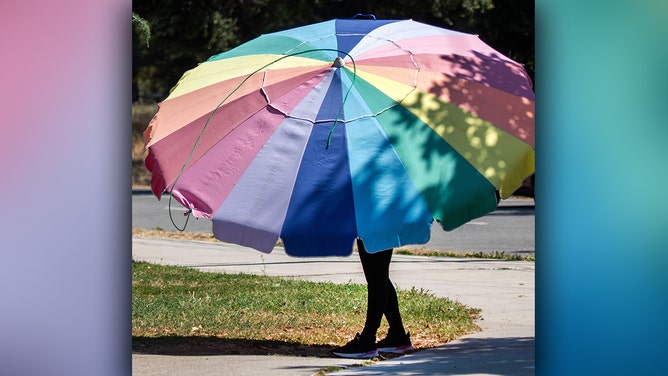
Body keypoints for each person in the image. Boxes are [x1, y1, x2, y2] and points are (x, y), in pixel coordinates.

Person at [332, 238, 413, 358]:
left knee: (376, 273)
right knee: (378, 273)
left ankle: (367, 341)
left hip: (375, 222)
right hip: (382, 222)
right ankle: (398, 335)